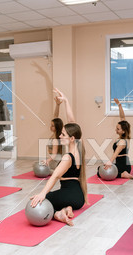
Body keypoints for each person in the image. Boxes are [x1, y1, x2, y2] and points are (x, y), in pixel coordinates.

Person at [30, 88, 88, 226]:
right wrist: (66, 101)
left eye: (63, 134)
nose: (60, 136)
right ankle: (67, 208)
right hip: (79, 198)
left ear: (72, 138)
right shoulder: (80, 149)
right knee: (50, 198)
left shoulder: (68, 157)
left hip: (70, 195)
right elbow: (72, 122)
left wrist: (42, 194)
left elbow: (55, 176)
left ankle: (58, 214)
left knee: (40, 202)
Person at [97, 98, 133, 179]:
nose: (116, 130)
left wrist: (109, 162)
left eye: (118, 129)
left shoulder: (122, 142)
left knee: (99, 171)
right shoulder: (124, 133)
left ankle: (122, 174)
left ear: (123, 131)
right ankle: (123, 173)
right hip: (124, 165)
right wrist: (119, 105)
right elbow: (122, 118)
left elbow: (116, 154)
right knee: (102, 168)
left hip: (123, 166)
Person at [43, 95, 69, 171]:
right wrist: (57, 105)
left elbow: (54, 155)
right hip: (56, 160)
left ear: (57, 127)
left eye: (52, 126)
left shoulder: (56, 139)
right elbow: (55, 117)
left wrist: (47, 161)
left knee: (47, 170)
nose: (50, 127)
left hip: (57, 161)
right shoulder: (56, 134)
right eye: (51, 125)